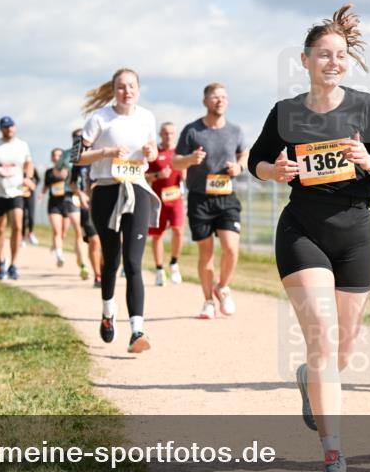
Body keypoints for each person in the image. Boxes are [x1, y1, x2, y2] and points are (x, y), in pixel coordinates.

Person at [248, 4, 370, 472]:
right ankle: (334, 456)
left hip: (356, 231)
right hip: (302, 229)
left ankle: (310, 379)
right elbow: (256, 161)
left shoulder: (368, 108)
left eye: (340, 55)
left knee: (342, 347)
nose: (333, 62)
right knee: (321, 336)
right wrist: (273, 172)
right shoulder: (286, 113)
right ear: (305, 61)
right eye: (324, 54)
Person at [72, 68, 159, 353]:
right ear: (113, 90)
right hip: (107, 190)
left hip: (138, 189)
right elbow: (77, 157)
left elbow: (154, 152)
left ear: (138, 89)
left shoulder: (146, 117)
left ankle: (137, 331)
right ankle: (108, 312)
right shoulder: (99, 118)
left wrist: (150, 154)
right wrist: (106, 153)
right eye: (121, 87)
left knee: (134, 263)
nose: (127, 91)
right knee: (112, 261)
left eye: (131, 86)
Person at [172, 83, 248, 318]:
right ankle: (208, 302)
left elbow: (243, 153)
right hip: (200, 199)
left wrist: (239, 166)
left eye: (224, 97)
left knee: (231, 249)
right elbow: (176, 162)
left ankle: (222, 286)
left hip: (226, 197)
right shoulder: (192, 130)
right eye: (215, 97)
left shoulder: (235, 130)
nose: (220, 100)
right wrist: (190, 159)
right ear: (205, 101)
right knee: (206, 253)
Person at [0, 116, 34, 280]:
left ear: (15, 127)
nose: (9, 129)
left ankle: (14, 264)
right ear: (1, 129)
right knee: (0, 228)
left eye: (11, 126)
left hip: (16, 191)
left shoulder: (22, 145)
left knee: (17, 225)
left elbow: (29, 163)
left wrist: (28, 177)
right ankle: (1, 260)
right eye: (5, 127)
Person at [145, 122, 185, 286]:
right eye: (166, 133)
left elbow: (187, 171)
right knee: (157, 235)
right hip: (158, 201)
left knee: (178, 230)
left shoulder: (180, 153)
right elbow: (144, 176)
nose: (169, 136)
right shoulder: (155, 154)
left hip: (176, 199)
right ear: (160, 134)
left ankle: (174, 263)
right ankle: (160, 269)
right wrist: (157, 175)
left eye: (172, 133)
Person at [44, 147, 86, 276]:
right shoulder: (50, 172)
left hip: (68, 203)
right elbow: (46, 186)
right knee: (57, 231)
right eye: (55, 155)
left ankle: (56, 247)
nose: (57, 158)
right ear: (52, 158)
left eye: (59, 155)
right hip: (54, 205)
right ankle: (59, 256)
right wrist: (41, 195)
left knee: (63, 233)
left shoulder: (71, 171)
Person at [68, 133, 102, 287]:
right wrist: (80, 194)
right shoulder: (79, 161)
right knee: (94, 241)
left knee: (108, 243)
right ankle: (97, 276)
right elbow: (73, 183)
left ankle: (105, 269)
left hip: (104, 202)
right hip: (87, 205)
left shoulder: (102, 155)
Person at [22, 167, 41, 247]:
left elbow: (38, 179)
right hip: (20, 195)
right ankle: (22, 237)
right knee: (22, 217)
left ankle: (30, 233)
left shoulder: (32, 168)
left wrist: (33, 185)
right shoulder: (18, 167)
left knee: (31, 216)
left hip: (30, 195)